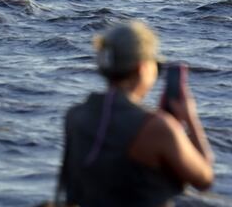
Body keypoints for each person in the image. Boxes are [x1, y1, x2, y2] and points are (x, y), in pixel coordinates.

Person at [56, 19, 214, 207]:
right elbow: (204, 179)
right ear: (142, 68)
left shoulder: (75, 116)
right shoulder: (158, 127)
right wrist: (190, 117)